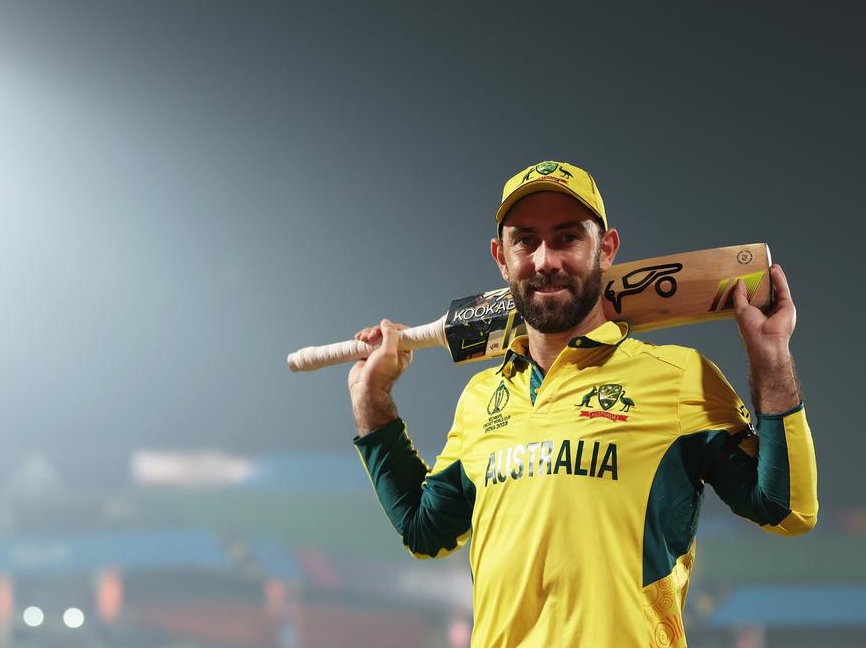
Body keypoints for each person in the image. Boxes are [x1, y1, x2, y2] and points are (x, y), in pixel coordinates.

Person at [348, 161, 817, 647]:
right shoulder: (482, 398)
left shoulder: (677, 378)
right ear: (501, 258)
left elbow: (786, 509)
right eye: (525, 240)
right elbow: (424, 530)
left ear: (606, 248)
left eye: (567, 237)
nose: (545, 260)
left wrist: (772, 362)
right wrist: (373, 401)